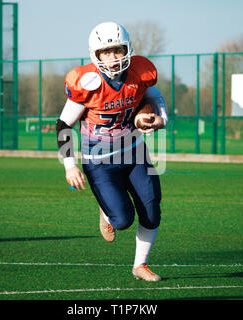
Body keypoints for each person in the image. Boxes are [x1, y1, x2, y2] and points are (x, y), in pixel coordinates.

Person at [56, 22, 168, 281]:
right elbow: (64, 125)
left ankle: (140, 265)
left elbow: (155, 98)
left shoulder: (140, 73)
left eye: (117, 50)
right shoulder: (87, 82)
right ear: (95, 54)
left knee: (151, 211)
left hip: (135, 152)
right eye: (106, 52)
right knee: (123, 220)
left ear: (127, 49)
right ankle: (105, 210)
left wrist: (161, 119)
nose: (113, 58)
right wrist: (70, 165)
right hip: (100, 162)